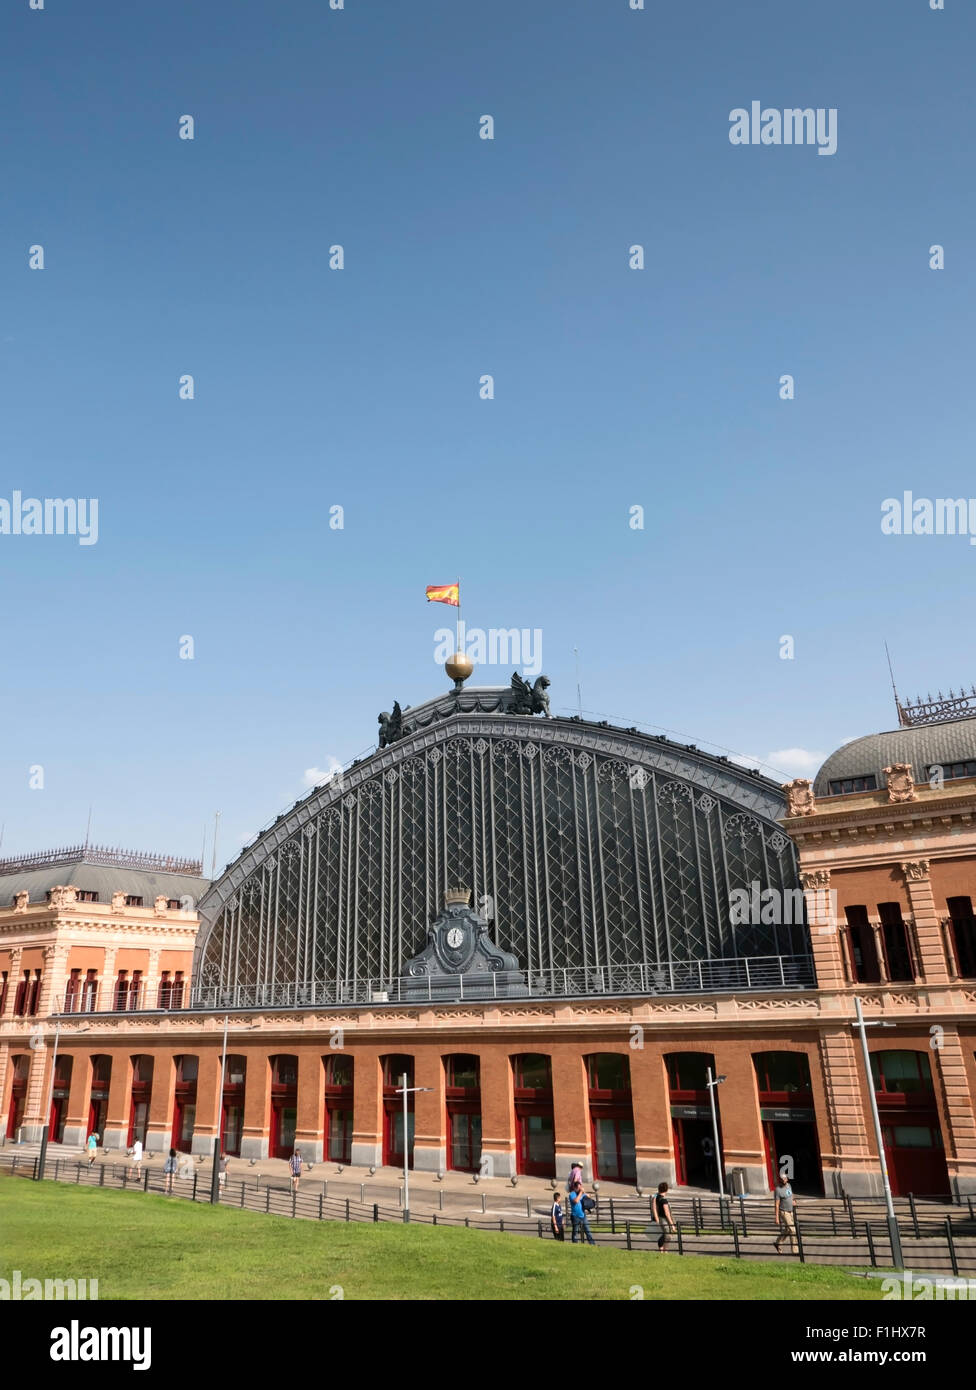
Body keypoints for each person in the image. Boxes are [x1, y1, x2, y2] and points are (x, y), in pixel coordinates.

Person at [774, 1177, 798, 1254]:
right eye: (782, 1179)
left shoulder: (788, 1185)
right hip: (784, 1212)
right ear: (780, 1180)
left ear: (787, 1179)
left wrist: (794, 1200)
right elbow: (777, 1204)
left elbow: (791, 1194)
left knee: (788, 1230)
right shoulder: (778, 1190)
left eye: (785, 1179)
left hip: (791, 1211)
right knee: (793, 1230)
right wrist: (777, 1217)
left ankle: (778, 1243)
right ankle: (795, 1251)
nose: (783, 1180)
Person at [651, 1182, 676, 1251]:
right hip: (664, 1220)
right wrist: (672, 1225)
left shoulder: (655, 1197)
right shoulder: (664, 1201)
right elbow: (667, 1214)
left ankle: (661, 1250)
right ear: (666, 1190)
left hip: (658, 1219)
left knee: (661, 1236)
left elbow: (654, 1209)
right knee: (667, 1236)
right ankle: (665, 1250)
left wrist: (656, 1219)